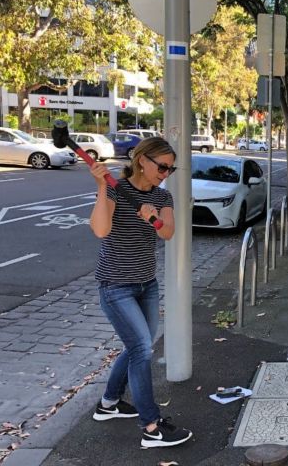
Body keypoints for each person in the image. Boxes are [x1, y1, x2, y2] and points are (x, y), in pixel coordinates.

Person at [88, 137, 193, 448]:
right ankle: (151, 426)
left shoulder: (163, 197)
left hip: (147, 285)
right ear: (142, 160)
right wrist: (101, 188)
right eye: (162, 166)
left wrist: (153, 218)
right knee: (141, 349)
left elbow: (168, 232)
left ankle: (109, 403)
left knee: (138, 347)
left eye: (170, 168)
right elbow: (100, 230)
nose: (165, 173)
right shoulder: (117, 189)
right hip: (115, 286)